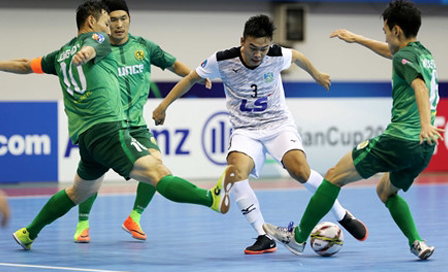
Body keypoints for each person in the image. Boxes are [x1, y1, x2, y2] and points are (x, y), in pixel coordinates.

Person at [0, 0, 234, 250]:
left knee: (77, 192)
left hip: (86, 136)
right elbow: (94, 44)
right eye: (107, 23)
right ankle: (210, 199)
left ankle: (28, 233)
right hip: (108, 128)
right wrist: (88, 52)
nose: (110, 29)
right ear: (91, 22)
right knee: (157, 172)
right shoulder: (98, 39)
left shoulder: (58, 55)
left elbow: (23, 64)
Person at [152, 14, 368, 254]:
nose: (258, 54)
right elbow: (191, 79)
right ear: (242, 40)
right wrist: (163, 106)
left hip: (278, 125)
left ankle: (343, 215)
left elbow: (298, 57)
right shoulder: (222, 60)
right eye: (253, 48)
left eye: (263, 49)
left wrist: (316, 74)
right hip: (245, 130)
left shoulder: (276, 55)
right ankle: (264, 236)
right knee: (235, 172)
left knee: (300, 171)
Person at [263, 0, 443, 260]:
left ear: (396, 31)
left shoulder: (404, 56)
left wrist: (425, 124)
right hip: (424, 148)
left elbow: (420, 88)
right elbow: (392, 52)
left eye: (385, 31)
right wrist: (358, 39)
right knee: (385, 191)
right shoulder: (424, 54)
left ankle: (298, 237)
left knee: (334, 176)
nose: (385, 36)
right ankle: (417, 242)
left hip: (401, 138)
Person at [73, 0, 211, 243]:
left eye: (122, 19)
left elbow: (173, 64)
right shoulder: (98, 48)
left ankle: (134, 217)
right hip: (107, 124)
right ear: (104, 22)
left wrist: (197, 75)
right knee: (94, 178)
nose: (118, 24)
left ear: (129, 19)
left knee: (156, 163)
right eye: (112, 20)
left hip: (136, 125)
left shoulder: (144, 47)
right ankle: (83, 221)